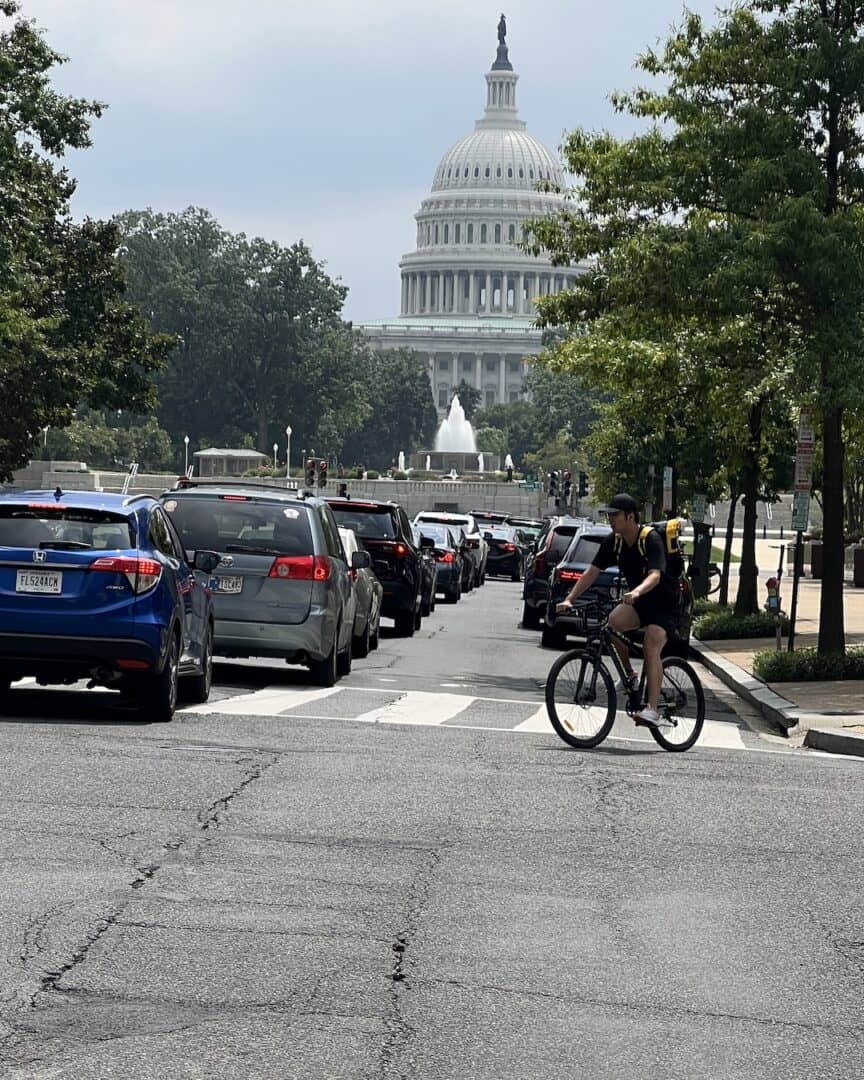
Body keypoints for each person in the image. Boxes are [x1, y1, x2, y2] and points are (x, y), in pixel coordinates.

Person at [555, 493, 679, 729]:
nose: (611, 520)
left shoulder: (649, 539)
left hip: (665, 603)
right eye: (609, 515)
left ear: (630, 516)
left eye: (615, 515)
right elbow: (592, 572)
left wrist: (636, 592)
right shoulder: (615, 541)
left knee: (651, 643)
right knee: (611, 625)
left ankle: (652, 709)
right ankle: (630, 676)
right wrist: (570, 598)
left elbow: (655, 575)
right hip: (639, 602)